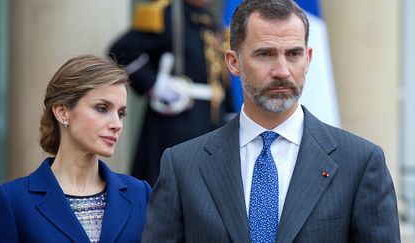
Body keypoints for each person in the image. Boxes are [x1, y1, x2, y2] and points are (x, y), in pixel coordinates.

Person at [141, 0, 400, 242]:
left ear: (308, 59)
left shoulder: (360, 163)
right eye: (265, 54)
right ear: (233, 62)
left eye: (293, 54)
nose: (282, 71)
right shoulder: (183, 166)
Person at [0, 55, 151, 242]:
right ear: (62, 112)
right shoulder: (13, 200)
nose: (117, 124)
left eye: (121, 113)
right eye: (102, 108)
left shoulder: (140, 194)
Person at [109, 0, 233, 186]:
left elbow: (220, 76)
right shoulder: (166, 14)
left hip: (212, 120)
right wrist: (155, 85)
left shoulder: (211, 20)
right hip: (177, 118)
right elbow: (122, 50)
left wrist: (230, 112)